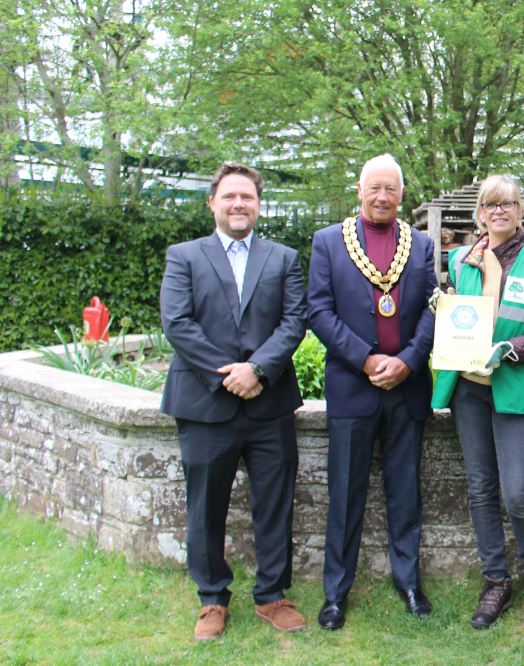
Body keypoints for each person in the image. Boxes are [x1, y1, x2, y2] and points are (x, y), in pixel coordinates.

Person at [160, 163, 308, 641]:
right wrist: (230, 375)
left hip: (269, 405)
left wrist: (257, 370)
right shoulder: (184, 256)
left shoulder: (283, 258)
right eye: (229, 197)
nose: (238, 204)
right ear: (213, 203)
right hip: (205, 404)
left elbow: (293, 322)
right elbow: (178, 323)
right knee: (205, 506)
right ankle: (211, 599)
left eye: (247, 197)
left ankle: (272, 595)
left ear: (258, 204)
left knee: (275, 504)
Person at [431, 174, 524, 629]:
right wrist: (444, 308)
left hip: (514, 384)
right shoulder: (460, 257)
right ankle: (495, 581)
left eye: (507, 203)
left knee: (517, 491)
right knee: (480, 489)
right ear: (480, 213)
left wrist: (510, 349)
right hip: (469, 387)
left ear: (520, 209)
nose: (499, 211)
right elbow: (461, 314)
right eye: (490, 205)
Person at [307, 154, 438, 630]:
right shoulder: (327, 242)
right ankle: (336, 593)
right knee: (345, 495)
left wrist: (407, 361)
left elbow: (432, 309)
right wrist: (365, 359)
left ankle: (408, 581)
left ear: (402, 195)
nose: (382, 196)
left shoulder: (421, 245)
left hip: (407, 387)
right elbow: (318, 311)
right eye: (374, 187)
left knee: (406, 492)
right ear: (359, 189)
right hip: (352, 386)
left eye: (391, 189)